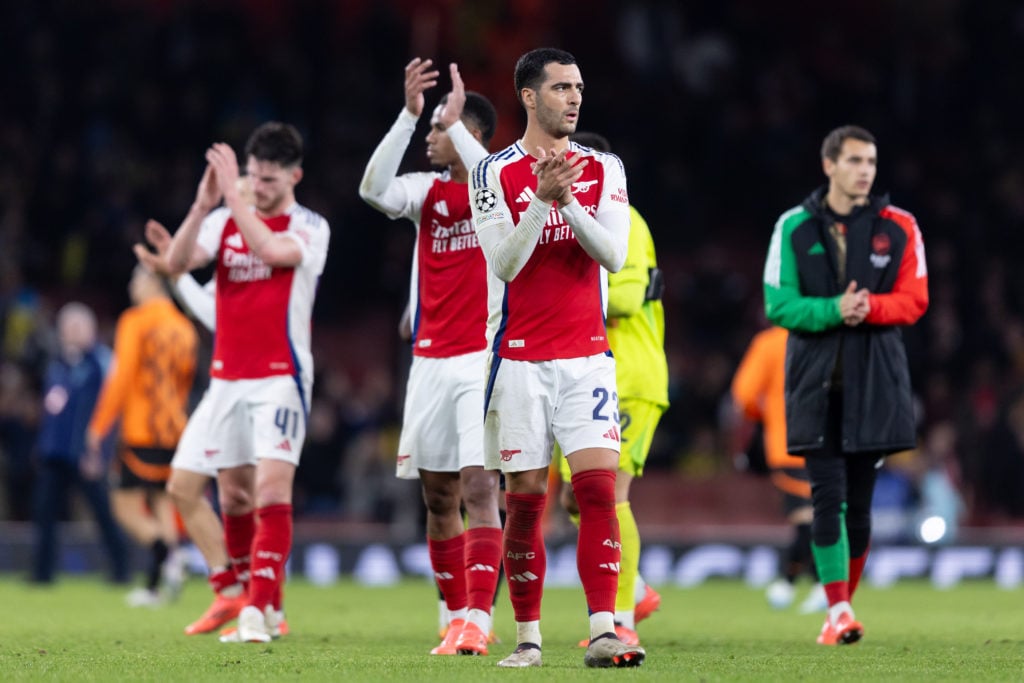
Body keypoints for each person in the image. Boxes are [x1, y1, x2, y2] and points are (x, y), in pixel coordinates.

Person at [468, 47, 645, 669]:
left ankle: (604, 631)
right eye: (561, 88)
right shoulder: (491, 173)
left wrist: (566, 201)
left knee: (597, 489)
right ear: (529, 97)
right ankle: (528, 640)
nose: (574, 97)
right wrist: (542, 200)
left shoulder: (605, 168)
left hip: (587, 357)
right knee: (525, 501)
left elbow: (614, 256)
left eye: (578, 86)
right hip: (518, 358)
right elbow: (504, 264)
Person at [763, 124, 928, 645]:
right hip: (816, 383)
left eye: (871, 163)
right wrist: (836, 308)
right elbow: (778, 303)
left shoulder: (899, 225)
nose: (865, 172)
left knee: (860, 504)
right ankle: (838, 611)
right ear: (829, 164)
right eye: (855, 161)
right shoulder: (793, 226)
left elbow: (916, 298)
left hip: (876, 382)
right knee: (827, 495)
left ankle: (841, 608)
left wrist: (869, 308)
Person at [165, 122, 330, 643]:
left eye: (268, 181)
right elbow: (174, 262)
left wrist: (234, 205)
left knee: (270, 489)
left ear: (294, 177)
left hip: (281, 377)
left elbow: (277, 254)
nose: (257, 189)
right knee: (233, 498)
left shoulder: (310, 226)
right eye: (253, 178)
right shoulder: (223, 219)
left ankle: (257, 613)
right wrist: (200, 206)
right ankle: (266, 605)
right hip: (228, 380)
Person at [359, 58, 502, 656]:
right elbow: (372, 188)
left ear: (469, 136)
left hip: (481, 357)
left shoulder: (499, 191)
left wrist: (458, 129)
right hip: (430, 362)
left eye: (439, 130)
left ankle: (480, 617)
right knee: (438, 494)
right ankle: (451, 613)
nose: (430, 140)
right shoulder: (428, 194)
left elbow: (490, 176)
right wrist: (410, 114)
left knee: (477, 485)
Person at [553, 131, 668, 647]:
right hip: (589, 372)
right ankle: (636, 588)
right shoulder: (570, 216)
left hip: (628, 376)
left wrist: (560, 298)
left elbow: (626, 294)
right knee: (575, 503)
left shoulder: (629, 221)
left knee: (608, 493)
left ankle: (620, 617)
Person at [133, 217, 251, 636]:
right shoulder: (227, 265)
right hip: (221, 386)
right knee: (182, 487)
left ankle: (267, 601)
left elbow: (214, 315)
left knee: (249, 496)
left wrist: (176, 275)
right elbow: (208, 307)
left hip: (263, 385)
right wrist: (177, 268)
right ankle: (229, 588)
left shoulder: (275, 253)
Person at [85, 263, 198, 606]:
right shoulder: (184, 327)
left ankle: (169, 556)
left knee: (125, 509)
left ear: (152, 282)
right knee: (162, 502)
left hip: (141, 431)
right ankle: (156, 586)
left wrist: (98, 427)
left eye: (136, 278)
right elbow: (185, 382)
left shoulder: (135, 321)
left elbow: (120, 380)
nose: (132, 286)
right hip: (176, 431)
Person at [730, 324, 827, 614]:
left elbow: (744, 394)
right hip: (833, 442)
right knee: (820, 517)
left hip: (790, 444)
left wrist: (768, 413)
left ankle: (807, 583)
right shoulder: (828, 334)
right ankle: (800, 583)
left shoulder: (770, 343)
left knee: (806, 520)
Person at [31, 302, 129, 585]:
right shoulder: (56, 362)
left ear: (91, 329)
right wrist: (44, 445)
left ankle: (121, 569)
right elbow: (51, 411)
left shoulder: (102, 362)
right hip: (55, 454)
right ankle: (42, 574)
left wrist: (100, 451)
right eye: (67, 326)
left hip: (86, 453)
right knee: (44, 513)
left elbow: (111, 412)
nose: (71, 332)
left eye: (77, 326)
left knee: (102, 514)